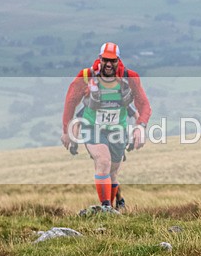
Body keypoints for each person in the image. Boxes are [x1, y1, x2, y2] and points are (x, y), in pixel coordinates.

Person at [61, 42, 152, 213]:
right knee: (103, 161)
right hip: (92, 127)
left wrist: (141, 126)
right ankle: (106, 208)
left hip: (118, 130)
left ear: (118, 60)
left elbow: (144, 105)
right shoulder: (87, 76)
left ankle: (113, 208)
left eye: (112, 61)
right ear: (99, 59)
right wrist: (66, 131)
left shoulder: (129, 78)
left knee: (112, 171)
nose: (108, 64)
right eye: (105, 60)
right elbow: (71, 102)